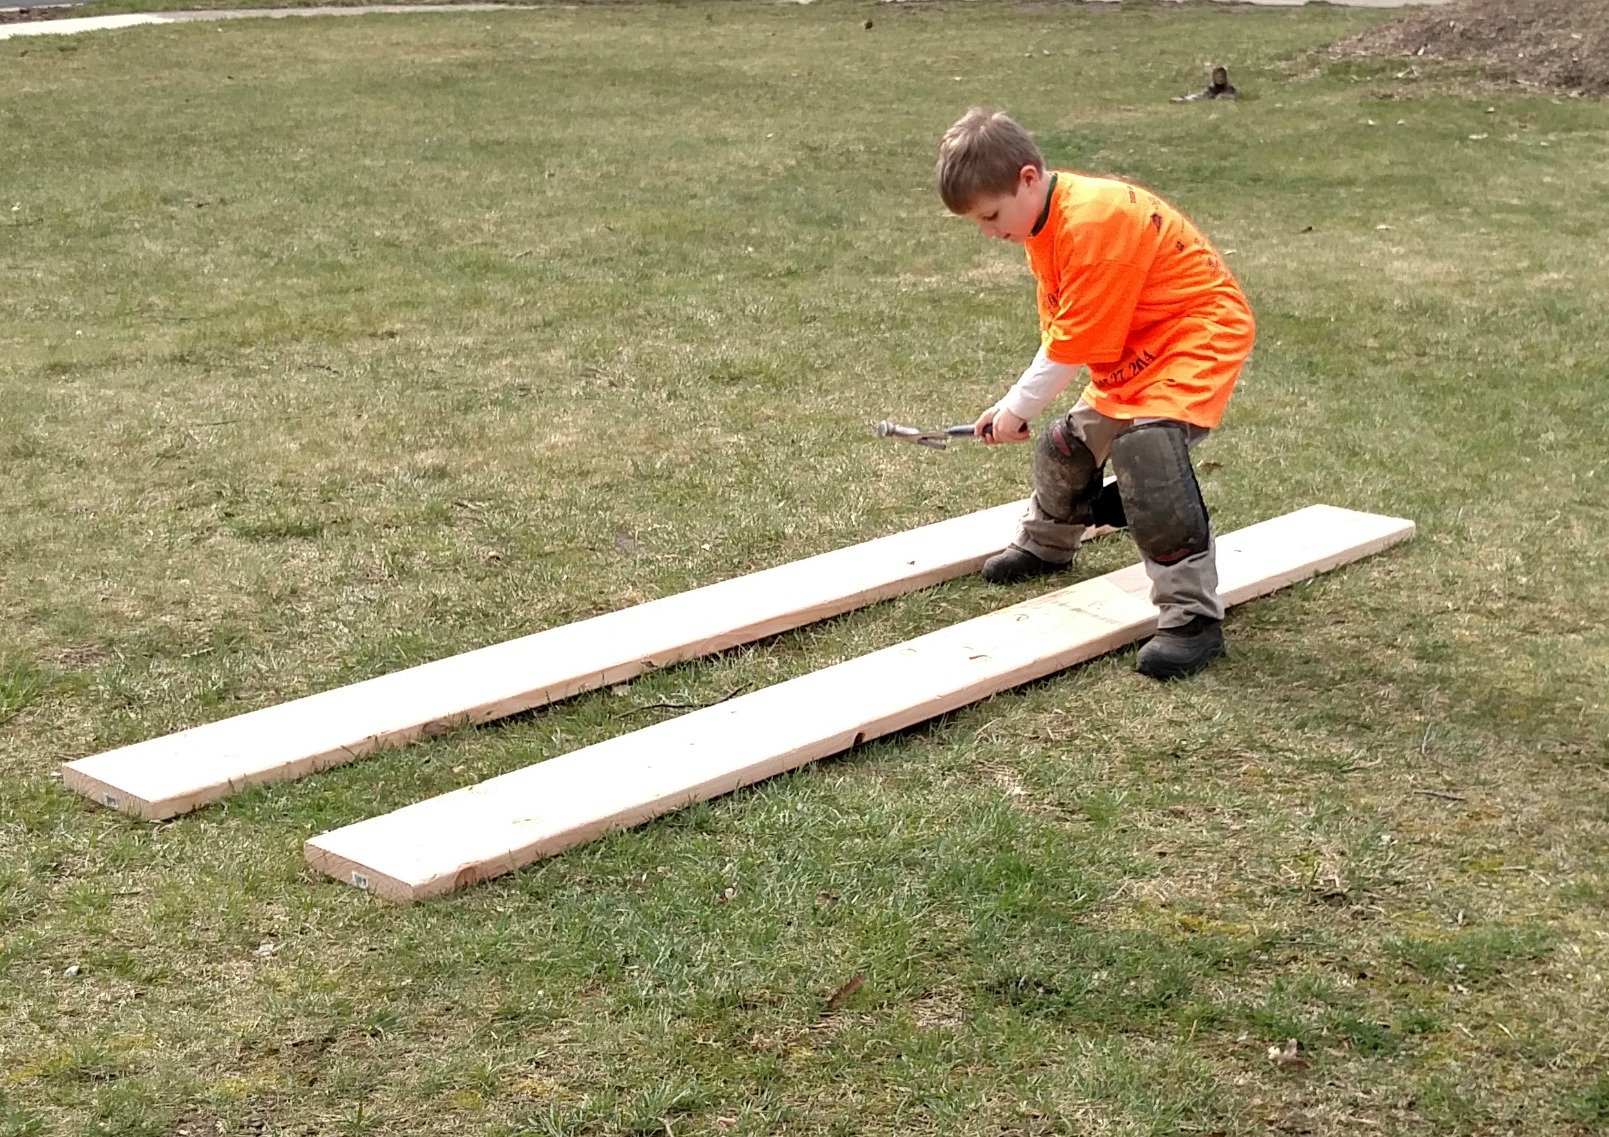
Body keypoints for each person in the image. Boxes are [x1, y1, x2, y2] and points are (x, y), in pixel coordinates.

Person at [935, 107, 1255, 679]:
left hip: (1196, 331)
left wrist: (1015, 408)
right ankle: (1048, 545)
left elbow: (1069, 350)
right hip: (1137, 339)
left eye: (991, 215)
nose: (988, 232)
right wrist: (1014, 407)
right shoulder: (1043, 226)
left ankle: (1191, 619)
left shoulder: (1093, 224)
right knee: (1067, 447)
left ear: (1029, 178)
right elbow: (1064, 332)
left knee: (1147, 455)